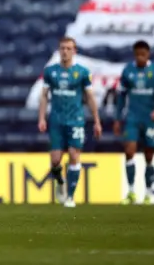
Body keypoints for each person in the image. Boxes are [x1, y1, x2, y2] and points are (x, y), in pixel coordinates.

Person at [38, 37, 102, 208]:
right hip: (56, 120)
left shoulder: (82, 72)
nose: (65, 51)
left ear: (74, 51)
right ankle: (60, 181)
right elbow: (44, 95)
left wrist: (96, 121)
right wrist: (42, 117)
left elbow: (90, 97)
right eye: (62, 48)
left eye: (68, 48)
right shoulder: (50, 71)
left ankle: (70, 197)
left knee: (74, 155)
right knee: (55, 160)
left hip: (76, 120)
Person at [114, 40, 154, 205]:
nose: (140, 57)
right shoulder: (128, 71)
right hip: (132, 118)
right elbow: (121, 97)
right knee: (129, 151)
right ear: (134, 54)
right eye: (137, 54)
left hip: (150, 118)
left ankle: (148, 194)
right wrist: (117, 118)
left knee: (149, 156)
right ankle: (130, 192)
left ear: (148, 54)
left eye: (143, 54)